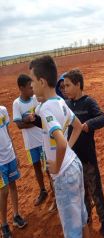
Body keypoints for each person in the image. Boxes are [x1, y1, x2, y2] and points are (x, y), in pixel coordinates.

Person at [29, 55, 89, 238]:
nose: (31, 85)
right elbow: (78, 126)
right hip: (74, 165)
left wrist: (55, 165)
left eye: (32, 81)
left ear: (41, 81)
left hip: (63, 174)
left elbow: (61, 142)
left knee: (72, 232)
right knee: (82, 219)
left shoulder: (47, 108)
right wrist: (68, 149)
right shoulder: (61, 101)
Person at [64, 69, 104, 237]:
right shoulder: (67, 105)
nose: (65, 89)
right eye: (64, 86)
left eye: (68, 85)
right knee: (81, 190)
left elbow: (102, 118)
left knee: (95, 190)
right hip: (73, 159)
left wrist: (88, 124)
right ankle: (87, 216)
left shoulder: (88, 102)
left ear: (78, 85)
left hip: (88, 158)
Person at [12, 74, 48, 206]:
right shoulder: (17, 104)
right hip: (30, 144)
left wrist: (29, 120)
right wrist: (33, 121)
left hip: (42, 140)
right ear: (21, 88)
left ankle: (54, 191)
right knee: (37, 166)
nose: (32, 89)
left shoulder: (35, 99)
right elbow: (19, 125)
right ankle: (43, 190)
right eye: (29, 87)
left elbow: (41, 117)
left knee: (48, 167)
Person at [0, 106, 27, 238]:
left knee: (13, 185)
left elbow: (8, 132)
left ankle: (16, 215)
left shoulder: (2, 110)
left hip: (9, 155)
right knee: (3, 191)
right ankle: (4, 224)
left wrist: (15, 153)